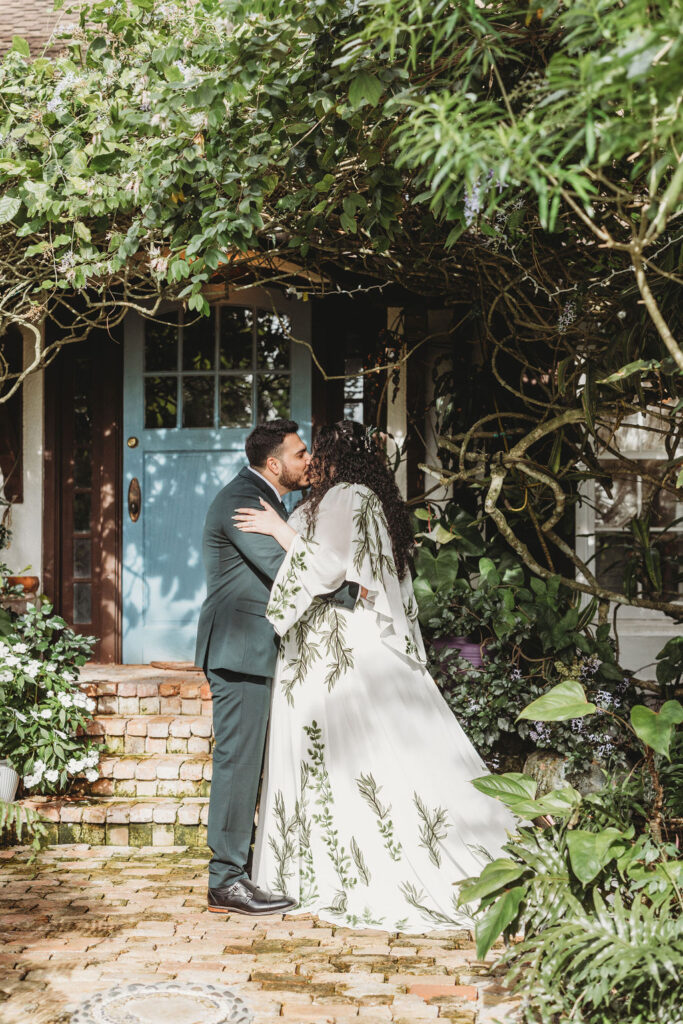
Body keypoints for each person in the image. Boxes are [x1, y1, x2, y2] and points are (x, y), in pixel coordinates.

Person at [233, 419, 517, 931]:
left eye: (315, 451)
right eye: (304, 452)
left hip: (338, 640)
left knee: (359, 745)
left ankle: (367, 865)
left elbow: (330, 569)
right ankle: (325, 865)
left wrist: (278, 529)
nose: (311, 460)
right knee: (326, 750)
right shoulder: (320, 502)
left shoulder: (351, 497)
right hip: (315, 642)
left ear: (338, 456)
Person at [195, 419, 359, 917]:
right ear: (274, 463)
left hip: (257, 653)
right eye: (299, 452)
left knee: (252, 764)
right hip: (239, 652)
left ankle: (240, 870)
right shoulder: (243, 500)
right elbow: (285, 571)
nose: (307, 460)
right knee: (238, 763)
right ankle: (225, 880)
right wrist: (355, 594)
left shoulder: (268, 498)